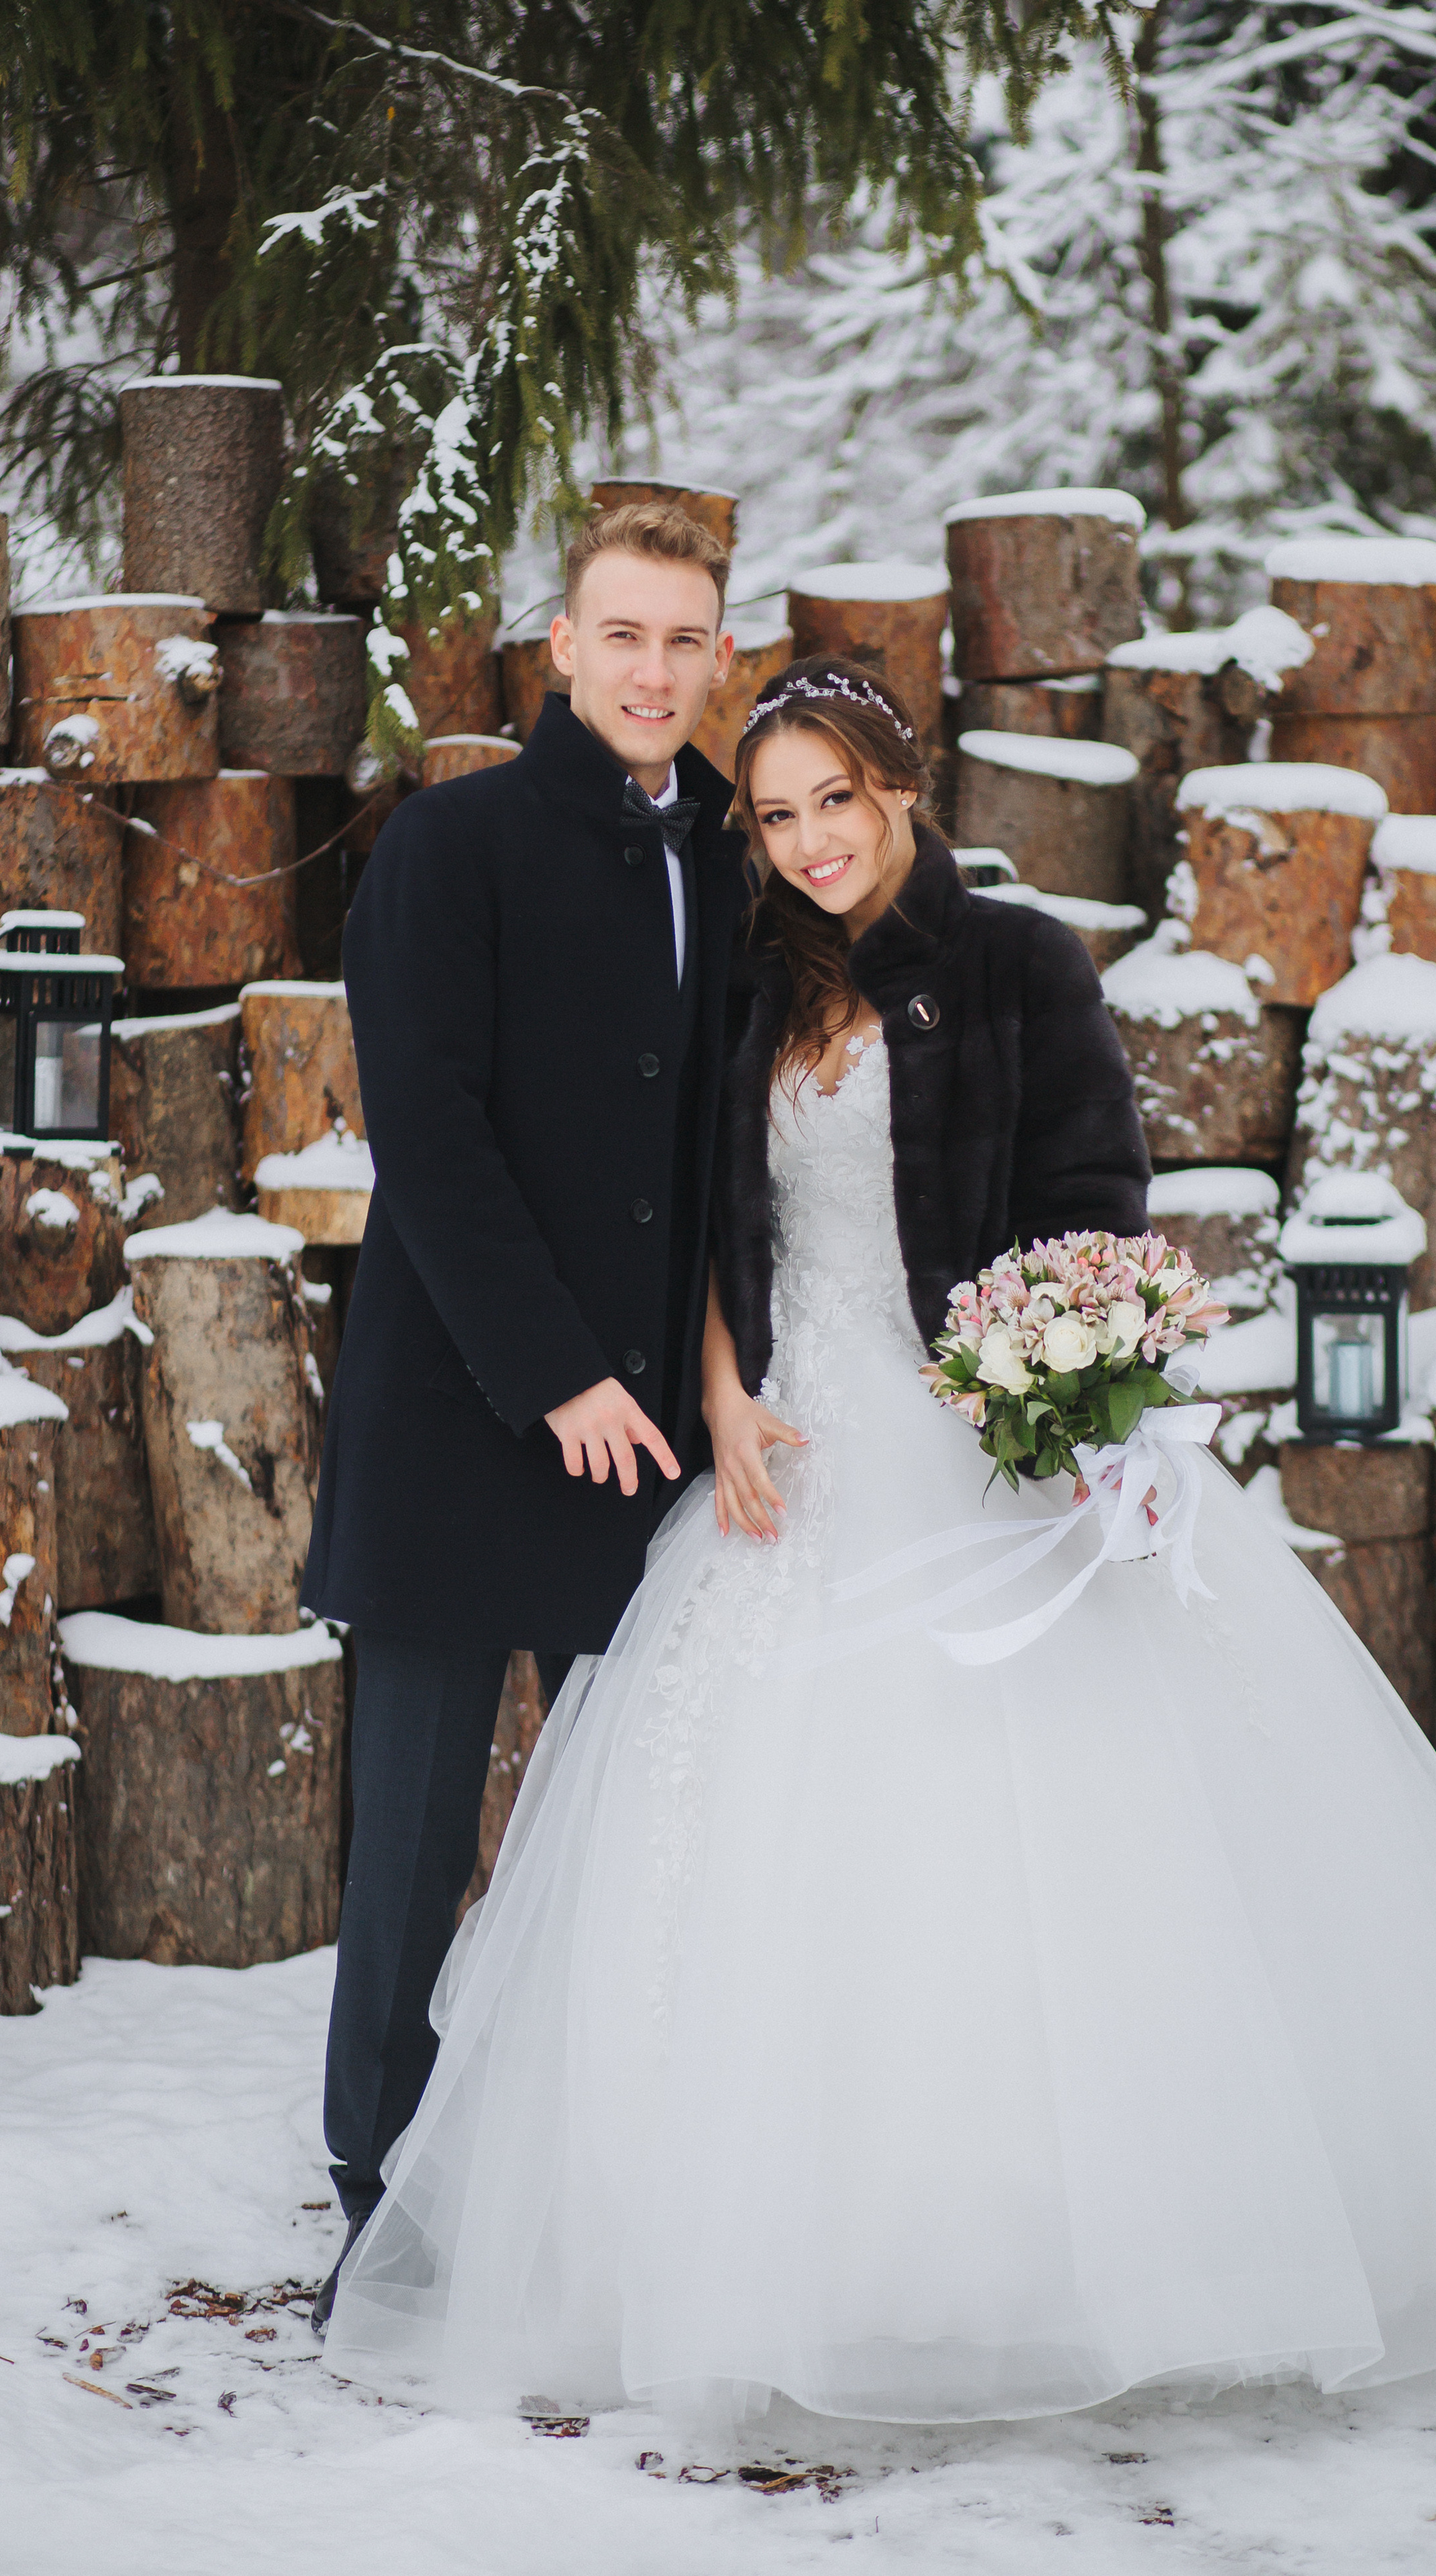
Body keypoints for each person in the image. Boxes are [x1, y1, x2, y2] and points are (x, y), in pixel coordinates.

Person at [324, 657, 1436, 2424]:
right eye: (777, 813)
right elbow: (718, 1238)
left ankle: (1095, 2243)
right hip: (793, 1446)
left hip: (984, 1447)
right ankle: (765, 2254)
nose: (810, 841)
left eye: (837, 799)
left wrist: (1057, 1389)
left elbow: (1095, 1204)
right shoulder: (757, 979)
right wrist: (723, 1398)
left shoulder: (1017, 964)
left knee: (1057, 1827)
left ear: (902, 789)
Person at [301, 502, 747, 2332]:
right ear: (560, 645)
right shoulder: (454, 841)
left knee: (636, 1836)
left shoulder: (733, 853)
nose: (654, 670)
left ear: (719, 657)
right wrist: (554, 1370)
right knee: (412, 1852)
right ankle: (379, 2209)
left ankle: (605, 2204)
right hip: (465, 1414)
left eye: (685, 640)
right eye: (622, 634)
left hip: (643, 1451)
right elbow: (428, 1126)